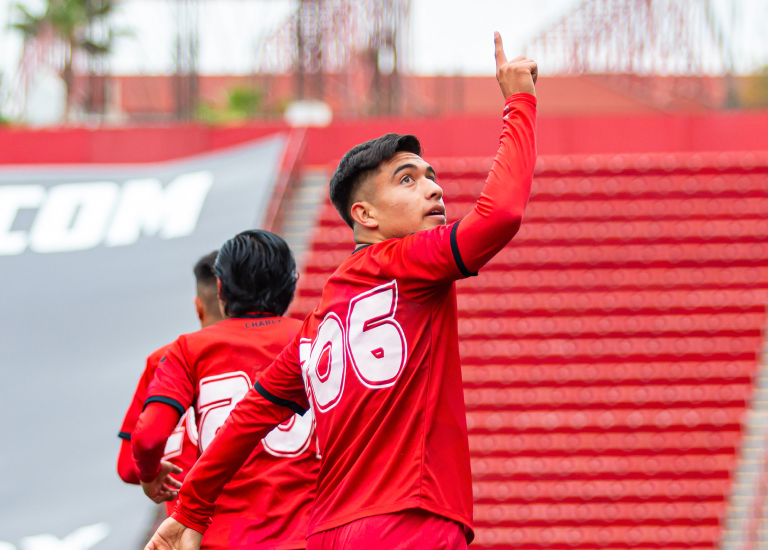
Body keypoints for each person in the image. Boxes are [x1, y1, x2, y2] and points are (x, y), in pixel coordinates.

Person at [146, 32, 537, 550]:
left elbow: (247, 418)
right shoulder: (411, 261)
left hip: (328, 534)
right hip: (409, 521)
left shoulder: (321, 319)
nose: (434, 187)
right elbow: (501, 213)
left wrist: (192, 508)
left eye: (430, 176)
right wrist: (520, 103)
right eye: (407, 179)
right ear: (365, 215)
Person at [133, 230, 318, 550]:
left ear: (221, 288)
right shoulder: (317, 339)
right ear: (291, 286)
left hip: (218, 537)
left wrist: (150, 475)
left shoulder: (189, 348)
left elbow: (149, 436)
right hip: (308, 534)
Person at [116, 251, 224, 517]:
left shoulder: (163, 359)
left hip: (189, 532)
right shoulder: (279, 351)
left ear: (199, 307)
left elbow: (128, 467)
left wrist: (152, 474)